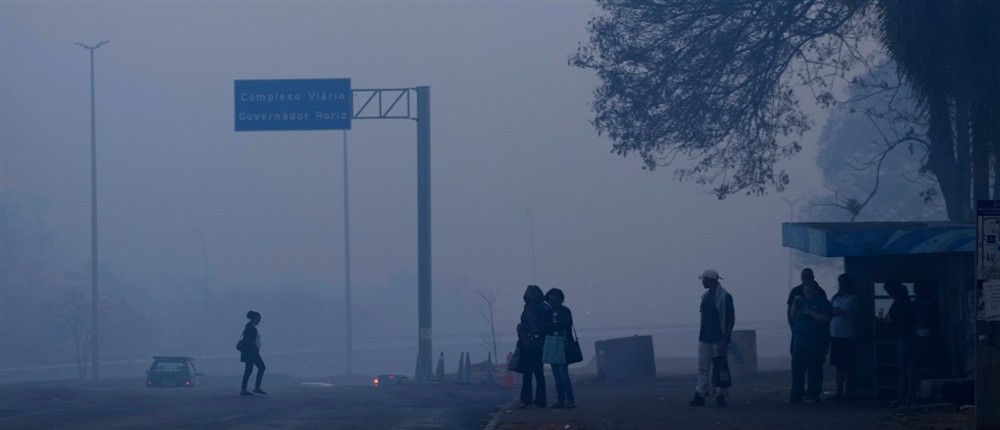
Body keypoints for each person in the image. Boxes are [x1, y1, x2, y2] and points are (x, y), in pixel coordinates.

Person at [689, 269, 735, 407]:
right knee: (704, 367)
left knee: (719, 368)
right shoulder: (706, 296)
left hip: (718, 338)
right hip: (705, 337)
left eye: (704, 279)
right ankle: (701, 393)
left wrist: (726, 338)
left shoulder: (725, 296)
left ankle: (720, 394)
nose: (702, 282)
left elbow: (730, 318)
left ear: (710, 280)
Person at [789, 280, 832, 404]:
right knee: (797, 368)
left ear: (815, 291)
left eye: (808, 291)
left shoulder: (823, 303)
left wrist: (811, 312)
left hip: (815, 340)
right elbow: (793, 316)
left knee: (814, 368)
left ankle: (813, 395)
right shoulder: (802, 302)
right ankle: (796, 395)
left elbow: (826, 319)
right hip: (800, 339)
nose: (806, 293)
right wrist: (794, 305)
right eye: (805, 291)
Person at [882, 280, 914, 407]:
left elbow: (897, 319)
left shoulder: (900, 303)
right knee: (903, 366)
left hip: (903, 336)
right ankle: (904, 396)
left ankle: (903, 395)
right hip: (903, 335)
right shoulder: (904, 301)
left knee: (903, 366)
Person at [516, 285, 548, 408]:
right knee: (527, 372)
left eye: (529, 293)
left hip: (537, 344)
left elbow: (543, 324)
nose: (527, 296)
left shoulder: (543, 307)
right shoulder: (527, 307)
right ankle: (526, 399)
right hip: (526, 342)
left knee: (538, 372)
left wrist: (536, 332)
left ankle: (540, 400)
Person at [544, 288, 576, 409]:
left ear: (559, 299)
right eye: (550, 299)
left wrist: (552, 326)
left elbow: (565, 324)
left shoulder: (565, 311)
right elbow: (545, 326)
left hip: (564, 344)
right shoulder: (548, 312)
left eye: (554, 298)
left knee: (562, 373)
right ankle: (561, 400)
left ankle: (569, 399)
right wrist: (554, 326)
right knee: (556, 375)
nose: (552, 301)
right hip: (553, 344)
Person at [828, 274, 859, 400]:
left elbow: (840, 311)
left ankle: (848, 392)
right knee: (838, 366)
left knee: (847, 366)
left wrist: (831, 309)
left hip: (847, 335)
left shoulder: (853, 298)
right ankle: (839, 391)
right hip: (835, 335)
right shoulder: (836, 298)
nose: (841, 285)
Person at [239, 310, 267, 396]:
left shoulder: (249, 326)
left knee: (248, 370)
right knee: (262, 367)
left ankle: (244, 389)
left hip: (249, 352)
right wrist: (255, 350)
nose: (259, 320)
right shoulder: (251, 328)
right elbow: (250, 341)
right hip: (252, 353)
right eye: (259, 319)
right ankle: (256, 387)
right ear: (254, 318)